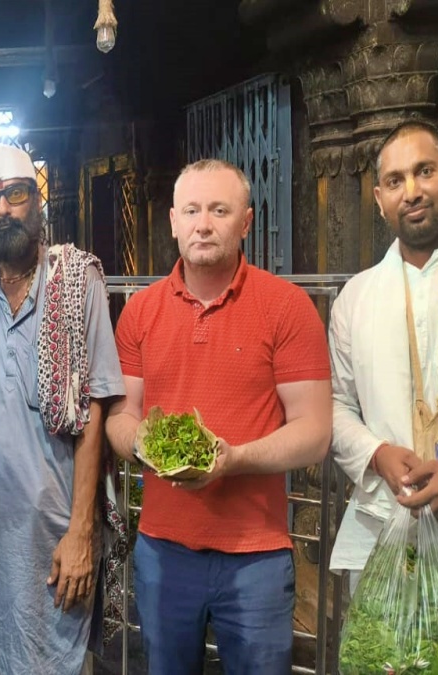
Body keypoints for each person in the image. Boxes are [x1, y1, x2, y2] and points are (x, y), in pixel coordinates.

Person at [105, 159, 332, 675]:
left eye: (218, 210)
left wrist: (234, 459)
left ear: (246, 222)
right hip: (164, 553)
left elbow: (315, 432)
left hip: (256, 556)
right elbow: (121, 416)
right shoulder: (140, 312)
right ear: (172, 222)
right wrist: (145, 443)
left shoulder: (286, 307)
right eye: (191, 210)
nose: (203, 224)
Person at [0, 145, 124, 675]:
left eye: (16, 193)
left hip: (56, 533)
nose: (3, 209)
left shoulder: (77, 284)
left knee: (56, 660)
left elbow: (95, 409)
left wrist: (81, 531)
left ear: (38, 201)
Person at [329, 120, 438, 590]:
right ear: (379, 200)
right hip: (385, 524)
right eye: (395, 181)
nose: (412, 191)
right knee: (381, 659)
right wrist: (376, 453)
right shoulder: (356, 299)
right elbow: (336, 406)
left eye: (425, 172)